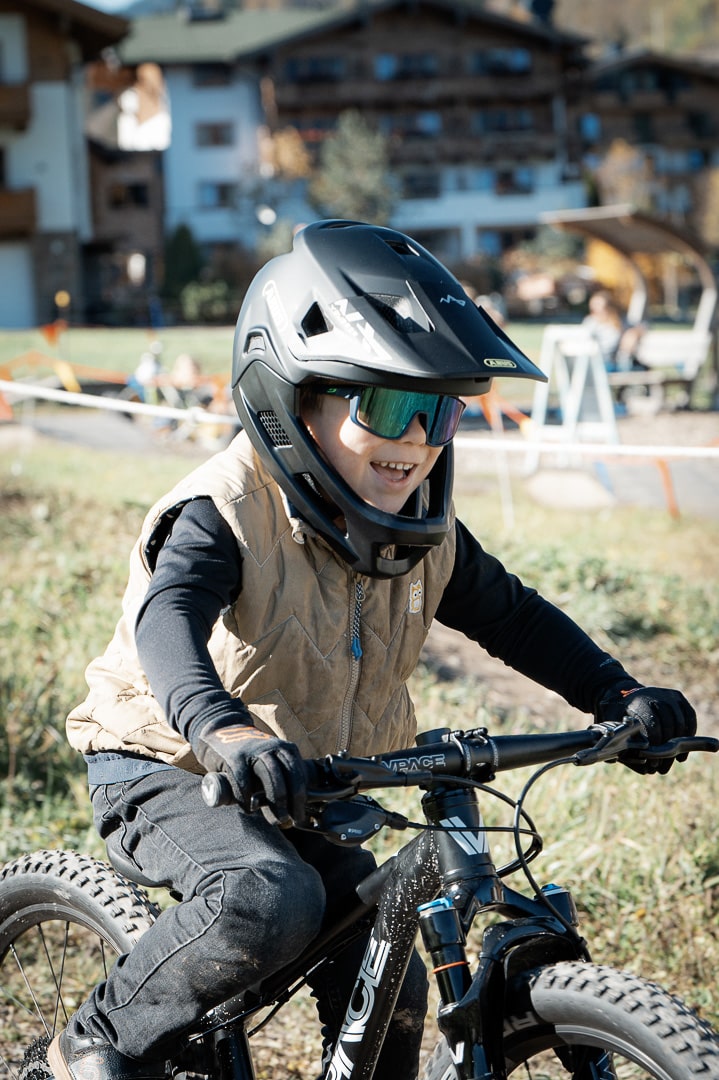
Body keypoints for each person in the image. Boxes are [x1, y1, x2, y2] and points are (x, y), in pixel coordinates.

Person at [52, 221, 696, 1080]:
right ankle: (95, 1041)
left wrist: (616, 696)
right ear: (295, 397)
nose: (417, 440)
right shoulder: (225, 507)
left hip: (313, 774)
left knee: (385, 941)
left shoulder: (419, 532)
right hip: (170, 760)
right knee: (267, 899)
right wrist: (223, 730)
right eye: (389, 405)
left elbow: (516, 619)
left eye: (440, 411)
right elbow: (165, 619)